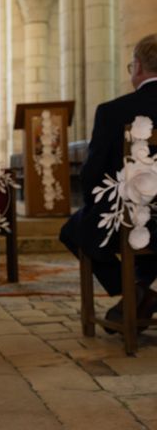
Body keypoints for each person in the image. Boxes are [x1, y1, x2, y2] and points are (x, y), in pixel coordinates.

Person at [60, 33, 157, 324]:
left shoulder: (113, 111)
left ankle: (132, 290)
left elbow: (93, 175)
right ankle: (144, 289)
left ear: (138, 67)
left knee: (72, 231)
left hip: (127, 218)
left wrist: (95, 206)